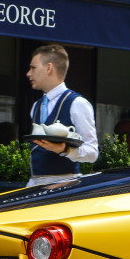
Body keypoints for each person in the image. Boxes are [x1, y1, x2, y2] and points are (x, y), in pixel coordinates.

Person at [26, 43, 97, 186]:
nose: (28, 73)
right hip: (34, 187)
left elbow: (92, 153)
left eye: (33, 68)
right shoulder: (36, 106)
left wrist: (66, 150)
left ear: (49, 68)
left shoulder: (77, 103)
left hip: (65, 187)